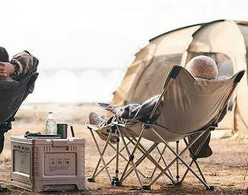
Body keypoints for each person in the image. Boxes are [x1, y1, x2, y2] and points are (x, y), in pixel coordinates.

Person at [89, 55, 224, 158]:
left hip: (159, 130)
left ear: (189, 75)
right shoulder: (217, 98)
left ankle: (106, 126)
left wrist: (118, 110)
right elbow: (216, 119)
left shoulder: (175, 97)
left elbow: (140, 111)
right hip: (189, 131)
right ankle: (108, 126)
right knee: (139, 116)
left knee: (129, 117)